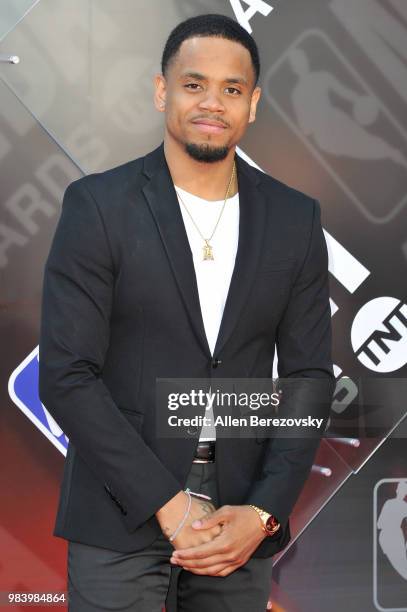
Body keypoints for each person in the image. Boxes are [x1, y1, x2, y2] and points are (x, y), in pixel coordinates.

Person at [38, 13, 335, 612]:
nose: (213, 103)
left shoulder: (295, 218)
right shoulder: (98, 205)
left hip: (239, 511)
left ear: (252, 104)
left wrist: (264, 511)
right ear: (161, 91)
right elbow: (67, 375)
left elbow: (308, 379)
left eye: (232, 89)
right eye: (194, 84)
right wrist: (168, 505)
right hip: (119, 505)